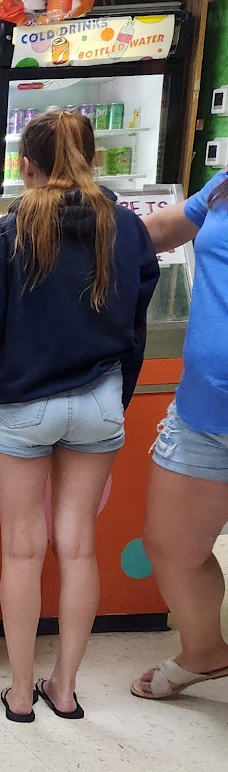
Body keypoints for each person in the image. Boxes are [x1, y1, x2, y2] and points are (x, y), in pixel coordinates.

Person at [0, 109, 159, 722]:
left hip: (19, 406)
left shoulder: (7, 233)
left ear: (26, 165)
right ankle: (64, 689)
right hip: (99, 402)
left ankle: (20, 693)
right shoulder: (126, 228)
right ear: (90, 159)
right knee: (79, 546)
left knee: (22, 550)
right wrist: (116, 399)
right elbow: (136, 329)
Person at [132, 170, 228, 699]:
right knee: (171, 547)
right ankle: (204, 653)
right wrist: (79, 225)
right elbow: (162, 229)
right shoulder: (224, 185)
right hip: (202, 413)